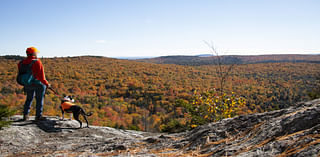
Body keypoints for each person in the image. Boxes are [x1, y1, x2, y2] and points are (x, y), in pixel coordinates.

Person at [18, 47, 50, 121]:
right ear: (33, 53)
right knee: (39, 100)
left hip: (28, 83)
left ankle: (25, 115)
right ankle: (38, 116)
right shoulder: (37, 62)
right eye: (36, 52)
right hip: (38, 84)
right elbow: (41, 77)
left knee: (29, 99)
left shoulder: (21, 62)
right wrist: (47, 84)